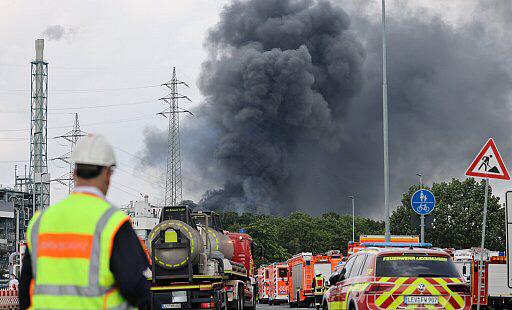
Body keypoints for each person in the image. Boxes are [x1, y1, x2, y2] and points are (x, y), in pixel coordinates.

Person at [19, 134, 150, 309]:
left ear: (74, 173)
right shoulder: (112, 222)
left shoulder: (41, 221)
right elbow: (135, 286)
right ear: (107, 174)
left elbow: (25, 287)